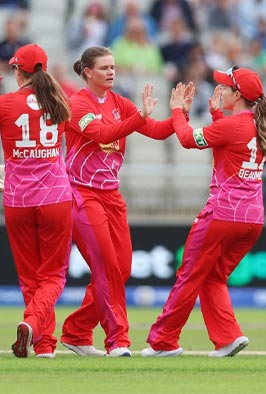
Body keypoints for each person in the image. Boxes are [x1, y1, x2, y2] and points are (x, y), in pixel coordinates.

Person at [61, 46, 193, 357]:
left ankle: (77, 332)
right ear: (88, 72)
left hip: (111, 195)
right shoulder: (77, 104)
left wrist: (179, 112)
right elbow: (103, 132)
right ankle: (117, 340)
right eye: (104, 67)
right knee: (107, 267)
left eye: (113, 67)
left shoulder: (119, 102)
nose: (111, 72)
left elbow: (159, 132)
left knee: (121, 268)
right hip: (82, 193)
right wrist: (139, 118)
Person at [142, 66, 266, 357]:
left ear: (237, 94)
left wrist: (177, 110)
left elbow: (188, 140)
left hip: (222, 215)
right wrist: (217, 115)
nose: (221, 90)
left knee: (189, 274)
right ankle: (228, 337)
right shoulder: (255, 124)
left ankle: (163, 342)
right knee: (212, 277)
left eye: (226, 87)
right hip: (252, 219)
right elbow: (228, 148)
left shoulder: (234, 126)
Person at [0, 44, 73, 358]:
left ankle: (43, 342)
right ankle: (36, 330)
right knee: (53, 276)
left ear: (17, 71)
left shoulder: (4, 104)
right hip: (55, 198)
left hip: (18, 200)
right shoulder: (60, 102)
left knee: (30, 276)